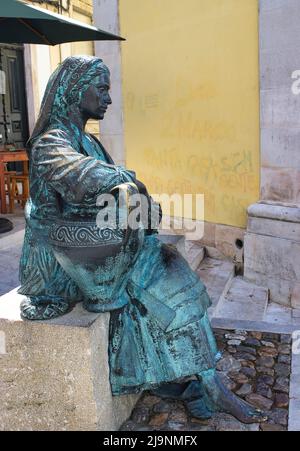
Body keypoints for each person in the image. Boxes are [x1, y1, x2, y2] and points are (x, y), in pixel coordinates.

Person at [19, 56, 266, 424]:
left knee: (173, 274)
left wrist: (138, 201)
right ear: (74, 90)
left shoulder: (86, 139)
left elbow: (108, 190)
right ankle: (204, 384)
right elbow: (81, 176)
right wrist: (129, 181)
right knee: (160, 282)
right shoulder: (50, 142)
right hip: (61, 262)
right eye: (100, 89)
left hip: (92, 243)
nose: (108, 98)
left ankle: (201, 380)